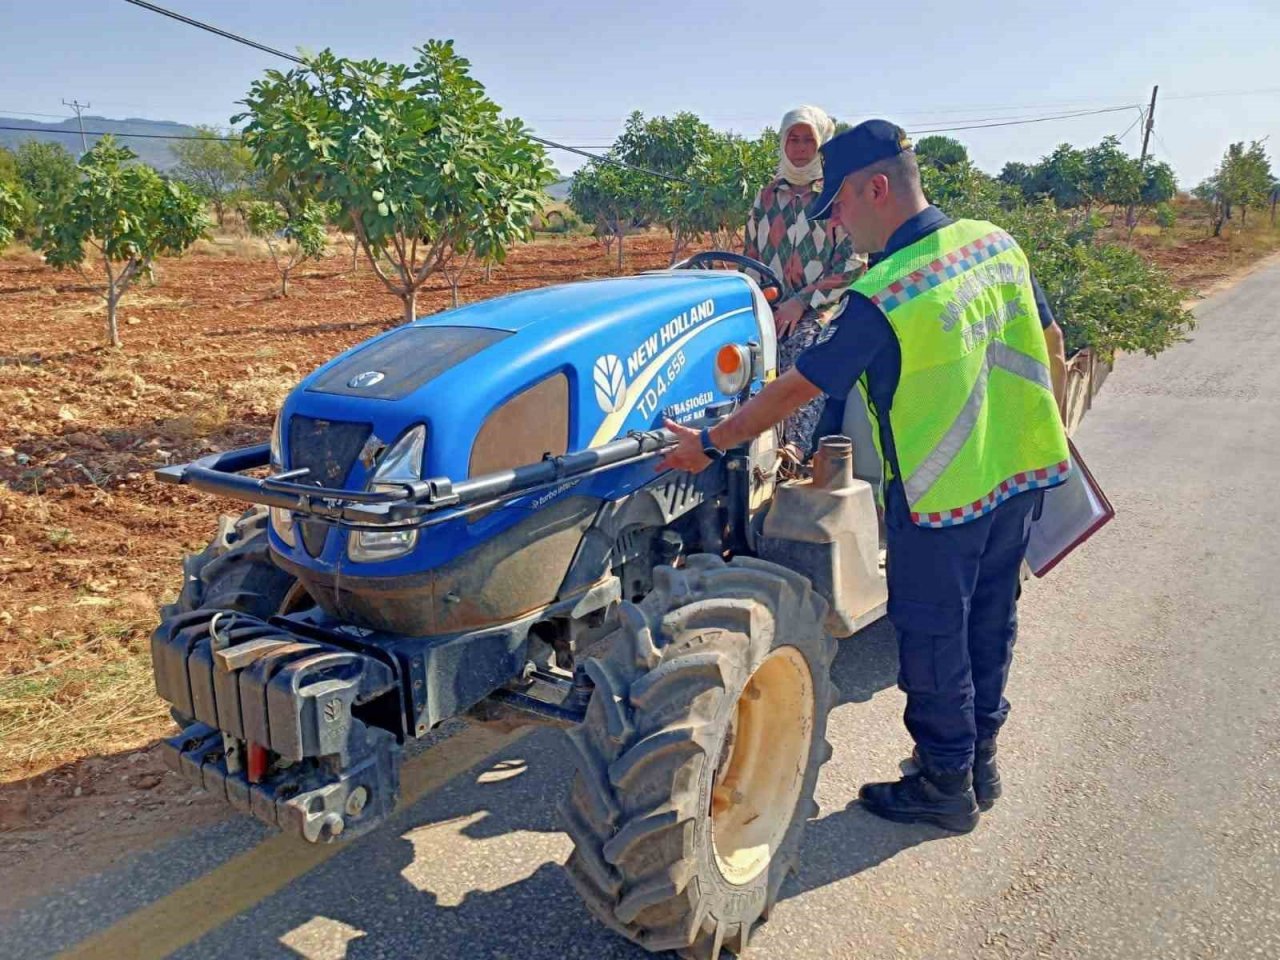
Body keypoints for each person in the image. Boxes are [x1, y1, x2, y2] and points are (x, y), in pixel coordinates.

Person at [660, 119, 1072, 834]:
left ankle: (944, 786)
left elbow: (797, 387)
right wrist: (1053, 433)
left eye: (841, 208)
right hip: (1021, 477)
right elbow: (1051, 340)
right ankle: (979, 764)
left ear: (876, 187)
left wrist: (710, 442)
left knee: (935, 636)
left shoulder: (888, 290)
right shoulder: (993, 242)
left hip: (942, 499)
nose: (839, 227)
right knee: (991, 620)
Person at [743, 106, 863, 463]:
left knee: (802, 345)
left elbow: (854, 264)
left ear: (822, 143)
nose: (799, 148)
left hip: (823, 304)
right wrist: (759, 300)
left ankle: (793, 446)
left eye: (808, 140)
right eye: (792, 139)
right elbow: (750, 252)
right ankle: (742, 436)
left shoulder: (836, 195)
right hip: (772, 301)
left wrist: (803, 302)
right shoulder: (766, 197)